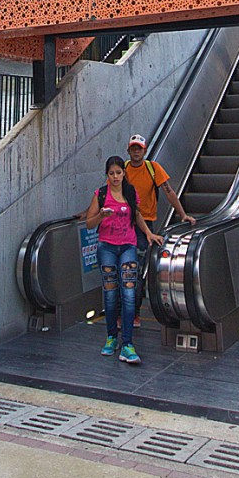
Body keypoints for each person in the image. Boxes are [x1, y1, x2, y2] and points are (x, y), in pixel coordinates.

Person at [85, 155, 161, 365]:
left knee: (128, 292)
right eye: (112, 174)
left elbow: (136, 215)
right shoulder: (100, 194)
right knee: (110, 294)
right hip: (107, 247)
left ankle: (127, 343)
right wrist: (101, 215)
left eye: (119, 173)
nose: (116, 177)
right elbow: (90, 223)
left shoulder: (130, 191)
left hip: (128, 245)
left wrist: (147, 233)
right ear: (107, 175)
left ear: (124, 173)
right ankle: (111, 337)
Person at [125, 133, 195, 327]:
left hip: (144, 226)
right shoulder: (122, 170)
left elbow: (169, 192)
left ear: (145, 151)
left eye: (139, 148)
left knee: (136, 271)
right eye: (133, 148)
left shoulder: (153, 168)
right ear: (128, 150)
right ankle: (123, 311)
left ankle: (134, 313)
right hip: (123, 225)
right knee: (123, 269)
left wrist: (183, 214)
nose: (136, 151)